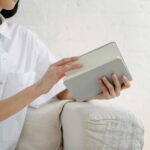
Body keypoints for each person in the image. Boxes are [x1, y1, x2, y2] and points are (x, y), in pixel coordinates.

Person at [0, 0, 131, 149]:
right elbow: (42, 88)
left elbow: (61, 91)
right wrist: (38, 88)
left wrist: (96, 90)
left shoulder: (24, 39)